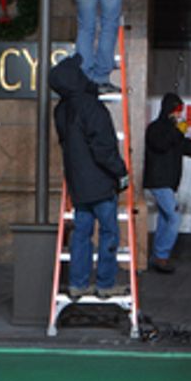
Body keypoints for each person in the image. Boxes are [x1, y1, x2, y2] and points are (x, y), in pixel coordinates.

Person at [50, 52, 129, 301]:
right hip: (101, 182)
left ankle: (78, 283)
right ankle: (105, 284)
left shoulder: (61, 110)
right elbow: (104, 148)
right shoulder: (91, 106)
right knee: (109, 233)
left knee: (82, 233)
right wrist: (121, 172)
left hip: (78, 185)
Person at [142, 92, 191, 274]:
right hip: (159, 181)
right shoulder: (156, 129)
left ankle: (158, 255)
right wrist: (178, 132)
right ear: (170, 110)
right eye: (178, 111)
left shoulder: (171, 131)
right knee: (174, 216)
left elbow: (187, 147)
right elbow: (161, 144)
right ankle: (161, 256)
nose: (180, 115)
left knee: (165, 218)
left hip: (165, 182)